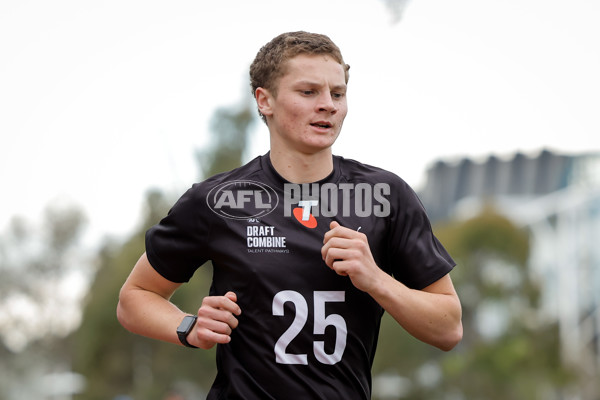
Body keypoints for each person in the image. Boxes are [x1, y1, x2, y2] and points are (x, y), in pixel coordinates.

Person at [117, 31, 462, 399]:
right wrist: (189, 327)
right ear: (264, 100)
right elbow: (134, 298)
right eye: (309, 92)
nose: (328, 105)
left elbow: (448, 329)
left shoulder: (385, 195)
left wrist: (376, 279)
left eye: (338, 93)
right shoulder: (218, 199)